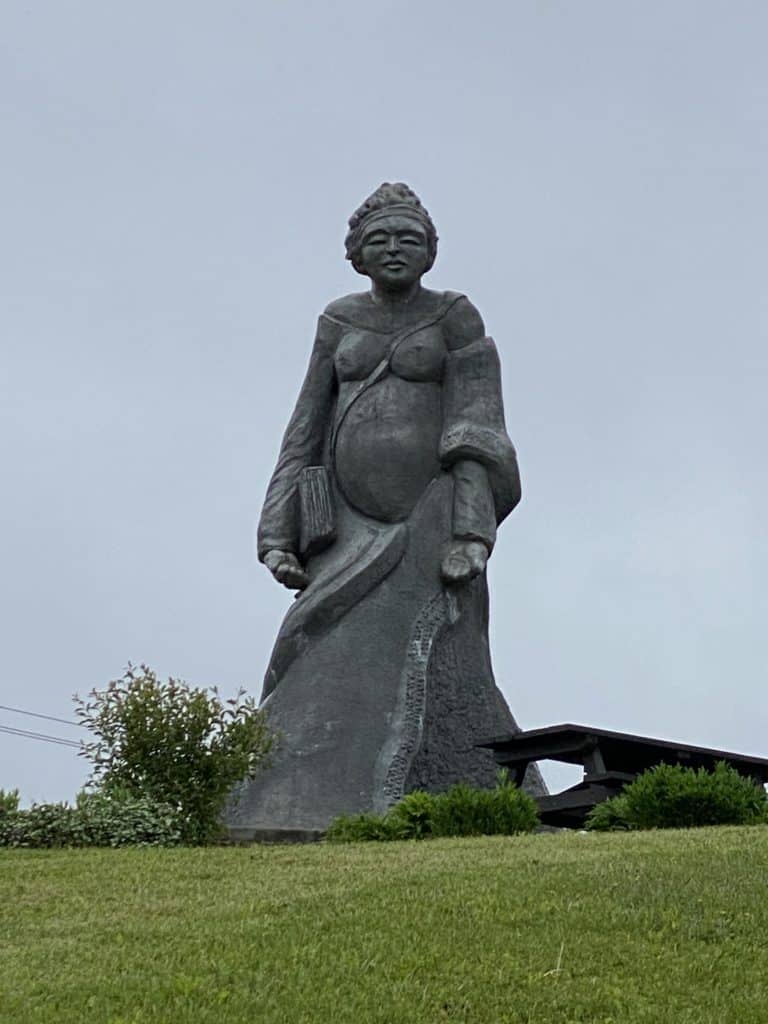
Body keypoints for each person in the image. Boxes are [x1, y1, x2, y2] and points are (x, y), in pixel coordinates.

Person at [230, 183, 542, 835]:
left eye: (409, 238)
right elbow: (304, 428)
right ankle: (282, 804)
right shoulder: (338, 321)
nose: (394, 249)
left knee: (432, 654)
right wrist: (277, 532)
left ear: (430, 251)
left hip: (431, 522)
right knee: (308, 643)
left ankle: (436, 798)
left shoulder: (455, 317)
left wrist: (471, 534)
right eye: (380, 239)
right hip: (343, 528)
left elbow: (478, 430)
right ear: (357, 255)